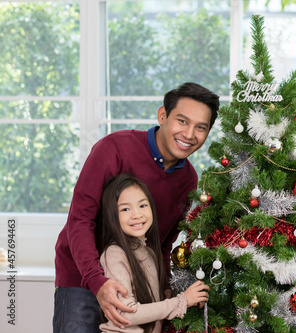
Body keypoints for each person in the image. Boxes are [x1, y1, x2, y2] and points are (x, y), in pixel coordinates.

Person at [53, 82, 219, 333]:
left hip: (137, 286)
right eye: (182, 121)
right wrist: (97, 282)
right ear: (162, 115)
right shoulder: (115, 149)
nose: (189, 134)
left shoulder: (188, 180)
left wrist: (163, 288)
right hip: (82, 278)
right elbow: (80, 220)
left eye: (201, 127)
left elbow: (162, 243)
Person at [98, 173, 209, 333]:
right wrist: (182, 301)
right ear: (112, 215)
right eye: (125, 209)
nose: (137, 215)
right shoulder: (114, 254)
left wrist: (184, 296)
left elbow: (153, 306)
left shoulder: (149, 252)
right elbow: (125, 313)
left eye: (143, 205)